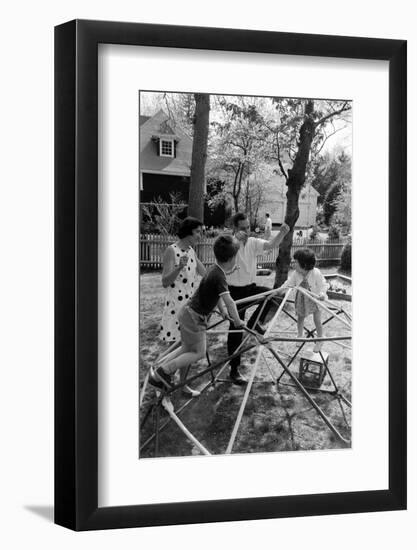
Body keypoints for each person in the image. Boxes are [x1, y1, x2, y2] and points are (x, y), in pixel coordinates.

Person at [149, 234, 245, 391]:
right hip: (194, 318)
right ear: (232, 258)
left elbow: (218, 296)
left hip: (187, 314)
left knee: (187, 348)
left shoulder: (214, 270)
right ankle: (164, 371)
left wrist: (221, 311)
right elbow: (230, 301)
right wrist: (238, 321)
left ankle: (160, 372)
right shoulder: (219, 276)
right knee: (199, 352)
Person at [226, 213, 290, 385]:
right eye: (242, 228)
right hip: (233, 292)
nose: (246, 231)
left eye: (248, 227)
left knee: (271, 295)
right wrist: (236, 242)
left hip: (249, 288)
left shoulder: (253, 242)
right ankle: (234, 370)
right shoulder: (229, 243)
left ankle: (254, 324)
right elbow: (225, 259)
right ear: (235, 229)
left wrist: (282, 233)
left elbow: (270, 244)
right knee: (235, 330)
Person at [159, 216, 206, 396]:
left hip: (189, 309)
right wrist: (178, 268)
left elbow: (204, 273)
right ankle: (163, 389)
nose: (200, 236)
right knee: (173, 350)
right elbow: (165, 281)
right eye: (197, 232)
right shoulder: (172, 250)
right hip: (175, 309)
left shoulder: (191, 251)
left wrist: (224, 274)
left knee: (190, 348)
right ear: (187, 232)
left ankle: (183, 385)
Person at [277, 248, 327, 353]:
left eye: (295, 262)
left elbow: (324, 284)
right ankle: (300, 335)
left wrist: (322, 294)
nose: (293, 263)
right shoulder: (296, 273)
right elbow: (288, 283)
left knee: (317, 320)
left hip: (315, 298)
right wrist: (280, 290)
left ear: (304, 265)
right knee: (300, 318)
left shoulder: (316, 273)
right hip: (302, 299)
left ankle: (320, 339)